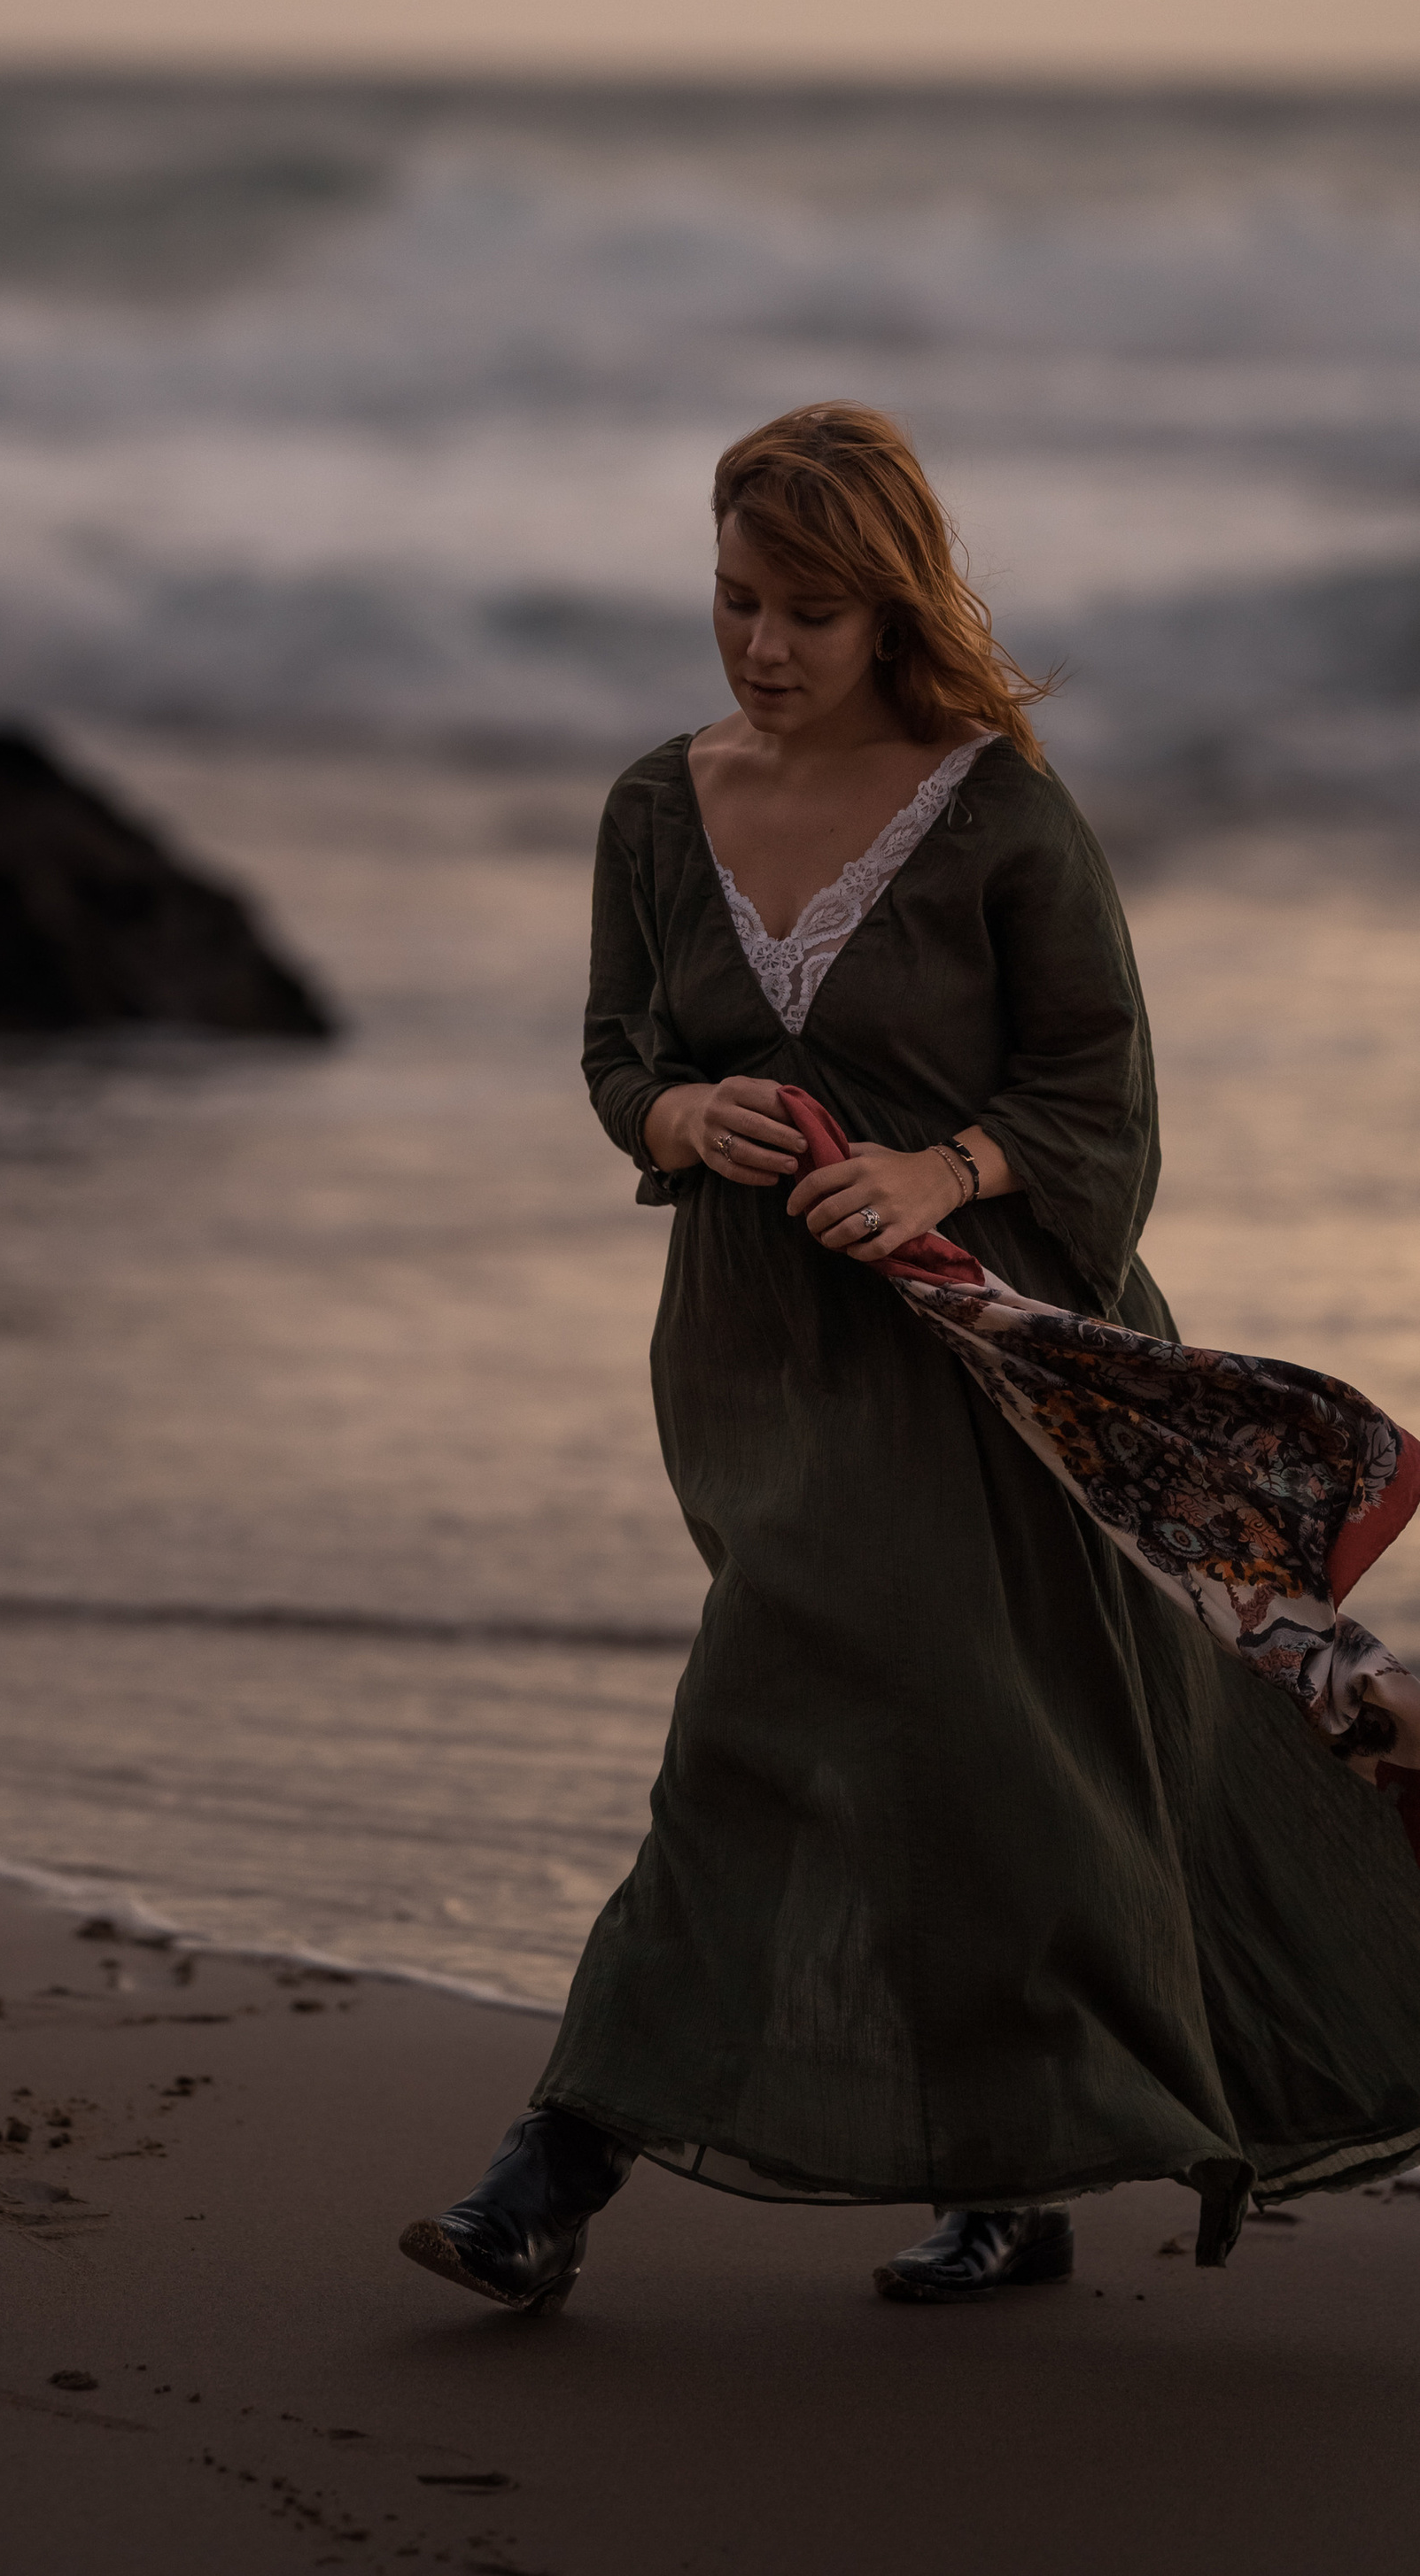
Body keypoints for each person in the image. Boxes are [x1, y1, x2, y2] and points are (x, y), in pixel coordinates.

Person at [399, 401, 1420, 2309]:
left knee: (784, 1728)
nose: (759, 646)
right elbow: (616, 1050)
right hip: (753, 1361)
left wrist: (930, 1163)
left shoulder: (1001, 813)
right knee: (912, 1738)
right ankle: (1007, 2179)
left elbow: (1097, 1099)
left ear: (887, 611)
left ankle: (553, 2168)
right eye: (730, 601)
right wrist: (679, 1122)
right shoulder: (650, 805)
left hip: (988, 1362)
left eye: (804, 610)